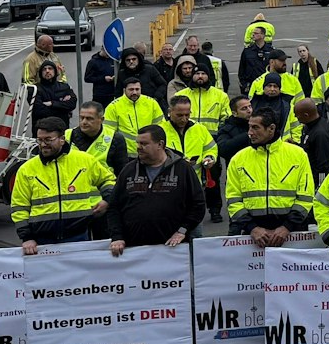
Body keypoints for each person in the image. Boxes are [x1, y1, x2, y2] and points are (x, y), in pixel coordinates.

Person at [12, 118, 115, 252]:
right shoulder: (27, 169)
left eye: (48, 139)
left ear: (62, 139)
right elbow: (19, 207)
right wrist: (26, 237)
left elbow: (108, 180)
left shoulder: (84, 160)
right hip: (41, 241)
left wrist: (107, 200)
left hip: (79, 237)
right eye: (39, 140)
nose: (43, 144)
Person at [105, 125, 205, 255]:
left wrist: (182, 230)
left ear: (160, 144)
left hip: (173, 250)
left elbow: (198, 204)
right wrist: (117, 237)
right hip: (134, 251)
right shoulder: (128, 170)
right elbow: (114, 207)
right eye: (138, 143)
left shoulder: (183, 169)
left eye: (144, 143)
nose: (138, 147)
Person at [224, 111, 314, 244]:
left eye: (255, 127)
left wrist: (286, 227)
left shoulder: (298, 155)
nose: (249, 132)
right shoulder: (238, 159)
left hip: (292, 233)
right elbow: (233, 200)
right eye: (249, 127)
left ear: (271, 128)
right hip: (252, 235)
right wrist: (253, 228)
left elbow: (306, 196)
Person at [68, 101, 130, 171]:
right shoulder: (68, 136)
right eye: (82, 118)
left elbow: (122, 171)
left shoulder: (115, 138)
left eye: (89, 118)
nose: (84, 122)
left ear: (101, 120)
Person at [29, 59, 77, 127]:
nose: (47, 71)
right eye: (44, 69)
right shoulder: (34, 89)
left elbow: (72, 104)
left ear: (55, 71)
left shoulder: (64, 87)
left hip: (62, 128)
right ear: (40, 73)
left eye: (50, 68)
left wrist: (52, 103)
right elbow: (39, 110)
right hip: (42, 129)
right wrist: (63, 109)